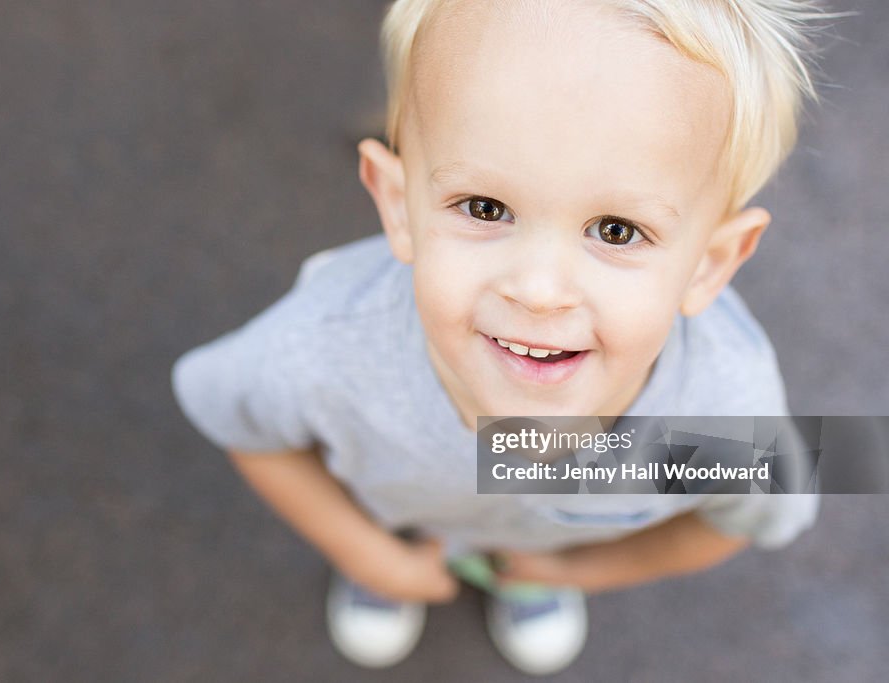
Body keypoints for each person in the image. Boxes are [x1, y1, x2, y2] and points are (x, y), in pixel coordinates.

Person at [172, 0, 824, 674]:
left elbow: (740, 518)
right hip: (397, 520)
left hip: (546, 548)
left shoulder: (724, 409)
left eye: (616, 230)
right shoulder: (322, 346)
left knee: (533, 544)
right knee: (399, 526)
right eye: (486, 208)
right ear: (398, 204)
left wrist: (581, 571)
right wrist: (370, 554)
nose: (539, 289)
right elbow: (247, 428)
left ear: (710, 263)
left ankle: (528, 577)